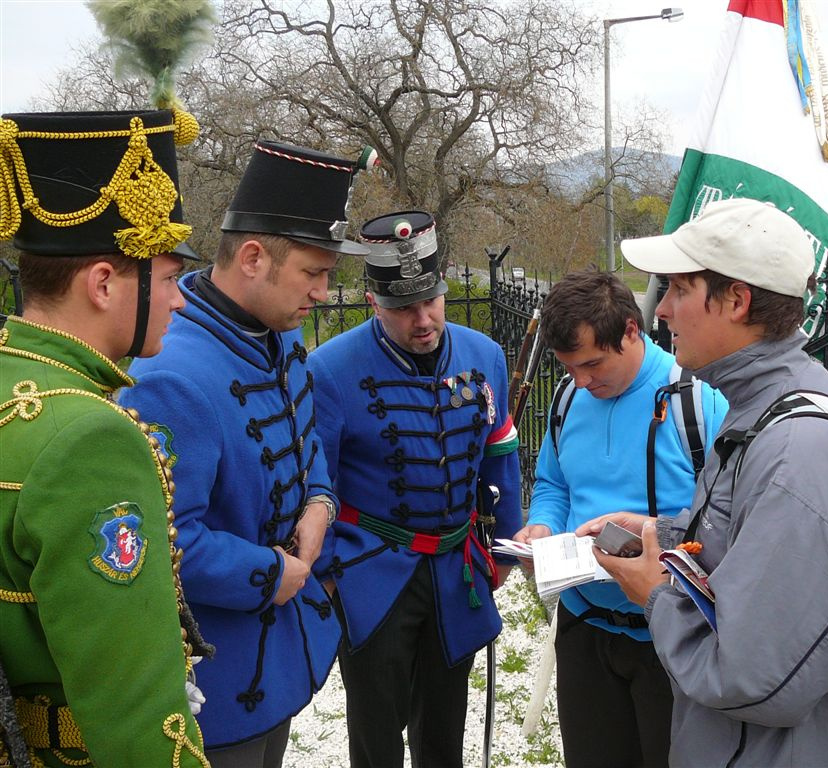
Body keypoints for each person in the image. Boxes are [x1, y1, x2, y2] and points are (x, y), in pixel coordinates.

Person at [588, 198, 828, 768]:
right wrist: (661, 533)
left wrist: (653, 594)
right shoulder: (761, 409)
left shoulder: (800, 454)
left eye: (678, 289)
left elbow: (755, 677)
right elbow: (746, 546)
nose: (663, 311)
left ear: (735, 300)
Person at [119, 140, 362, 766]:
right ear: (254, 257)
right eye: (313, 273)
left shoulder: (277, 336)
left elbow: (306, 445)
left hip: (283, 657)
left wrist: (320, 501)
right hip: (218, 681)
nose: (324, 293)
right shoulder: (171, 376)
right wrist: (271, 574)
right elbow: (162, 544)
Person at [0, 108, 209, 766]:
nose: (181, 301)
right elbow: (135, 715)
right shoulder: (91, 438)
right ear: (102, 283)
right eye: (171, 277)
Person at [309, 210, 522, 768]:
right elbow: (317, 483)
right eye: (404, 307)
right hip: (372, 574)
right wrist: (330, 574)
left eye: (431, 301)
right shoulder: (329, 369)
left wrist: (502, 551)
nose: (423, 319)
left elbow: (500, 456)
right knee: (376, 739)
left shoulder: (485, 357)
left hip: (457, 573)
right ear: (375, 303)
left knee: (445, 731)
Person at [513, 270, 728, 768]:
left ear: (632, 330)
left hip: (670, 638)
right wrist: (544, 526)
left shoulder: (698, 402)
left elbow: (730, 512)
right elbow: (553, 483)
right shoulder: (569, 399)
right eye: (569, 368)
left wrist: (655, 532)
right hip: (583, 627)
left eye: (592, 364)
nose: (582, 382)